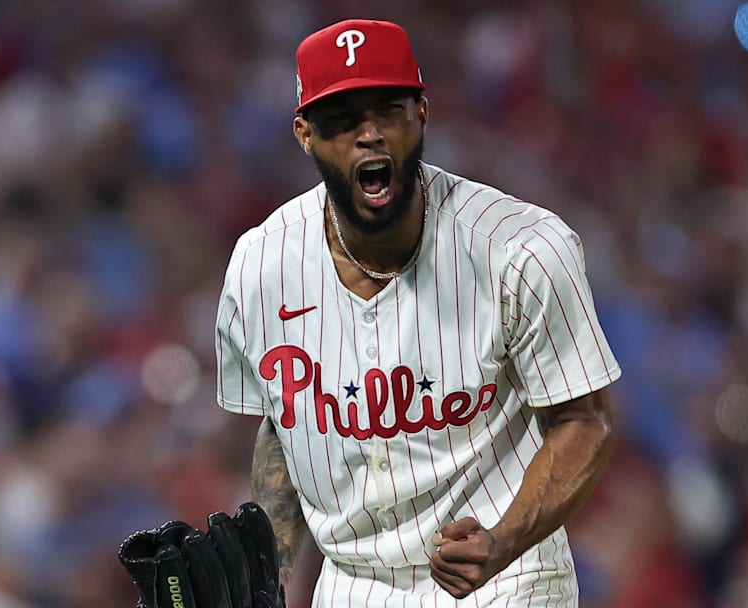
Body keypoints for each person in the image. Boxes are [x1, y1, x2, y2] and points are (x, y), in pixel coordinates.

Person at [215, 18, 621, 607]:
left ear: (422, 113)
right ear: (304, 134)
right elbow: (283, 427)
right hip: (352, 586)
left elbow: (586, 421)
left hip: (507, 581)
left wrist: (503, 540)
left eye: (388, 109)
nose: (369, 134)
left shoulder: (521, 248)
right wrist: (268, 573)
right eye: (343, 118)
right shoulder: (259, 264)